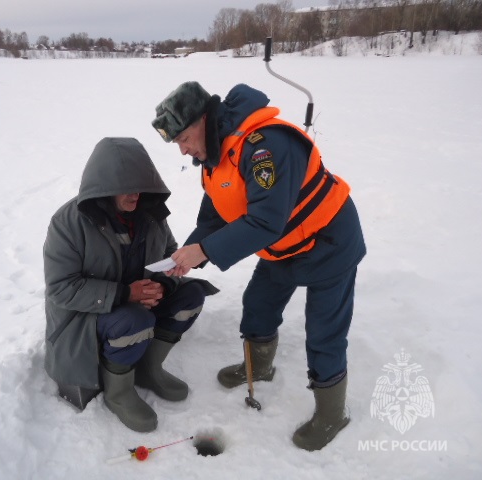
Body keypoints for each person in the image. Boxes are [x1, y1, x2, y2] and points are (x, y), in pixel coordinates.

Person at [151, 82, 366, 451]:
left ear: (205, 119)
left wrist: (204, 250)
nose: (184, 150)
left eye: (185, 138)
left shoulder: (265, 147)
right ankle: (260, 367)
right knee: (259, 306)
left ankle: (332, 415)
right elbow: (216, 214)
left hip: (329, 242)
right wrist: (187, 252)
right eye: (178, 144)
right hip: (283, 249)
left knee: (324, 331)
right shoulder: (216, 157)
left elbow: (267, 221)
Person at [43, 137, 218, 433]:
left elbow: (169, 251)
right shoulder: (68, 223)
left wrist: (161, 284)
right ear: (104, 186)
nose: (134, 194)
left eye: (139, 185)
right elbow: (61, 288)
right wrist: (126, 294)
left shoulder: (149, 214)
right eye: (125, 187)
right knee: (134, 320)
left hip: (135, 305)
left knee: (190, 294)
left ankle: (148, 370)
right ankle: (118, 392)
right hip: (84, 318)